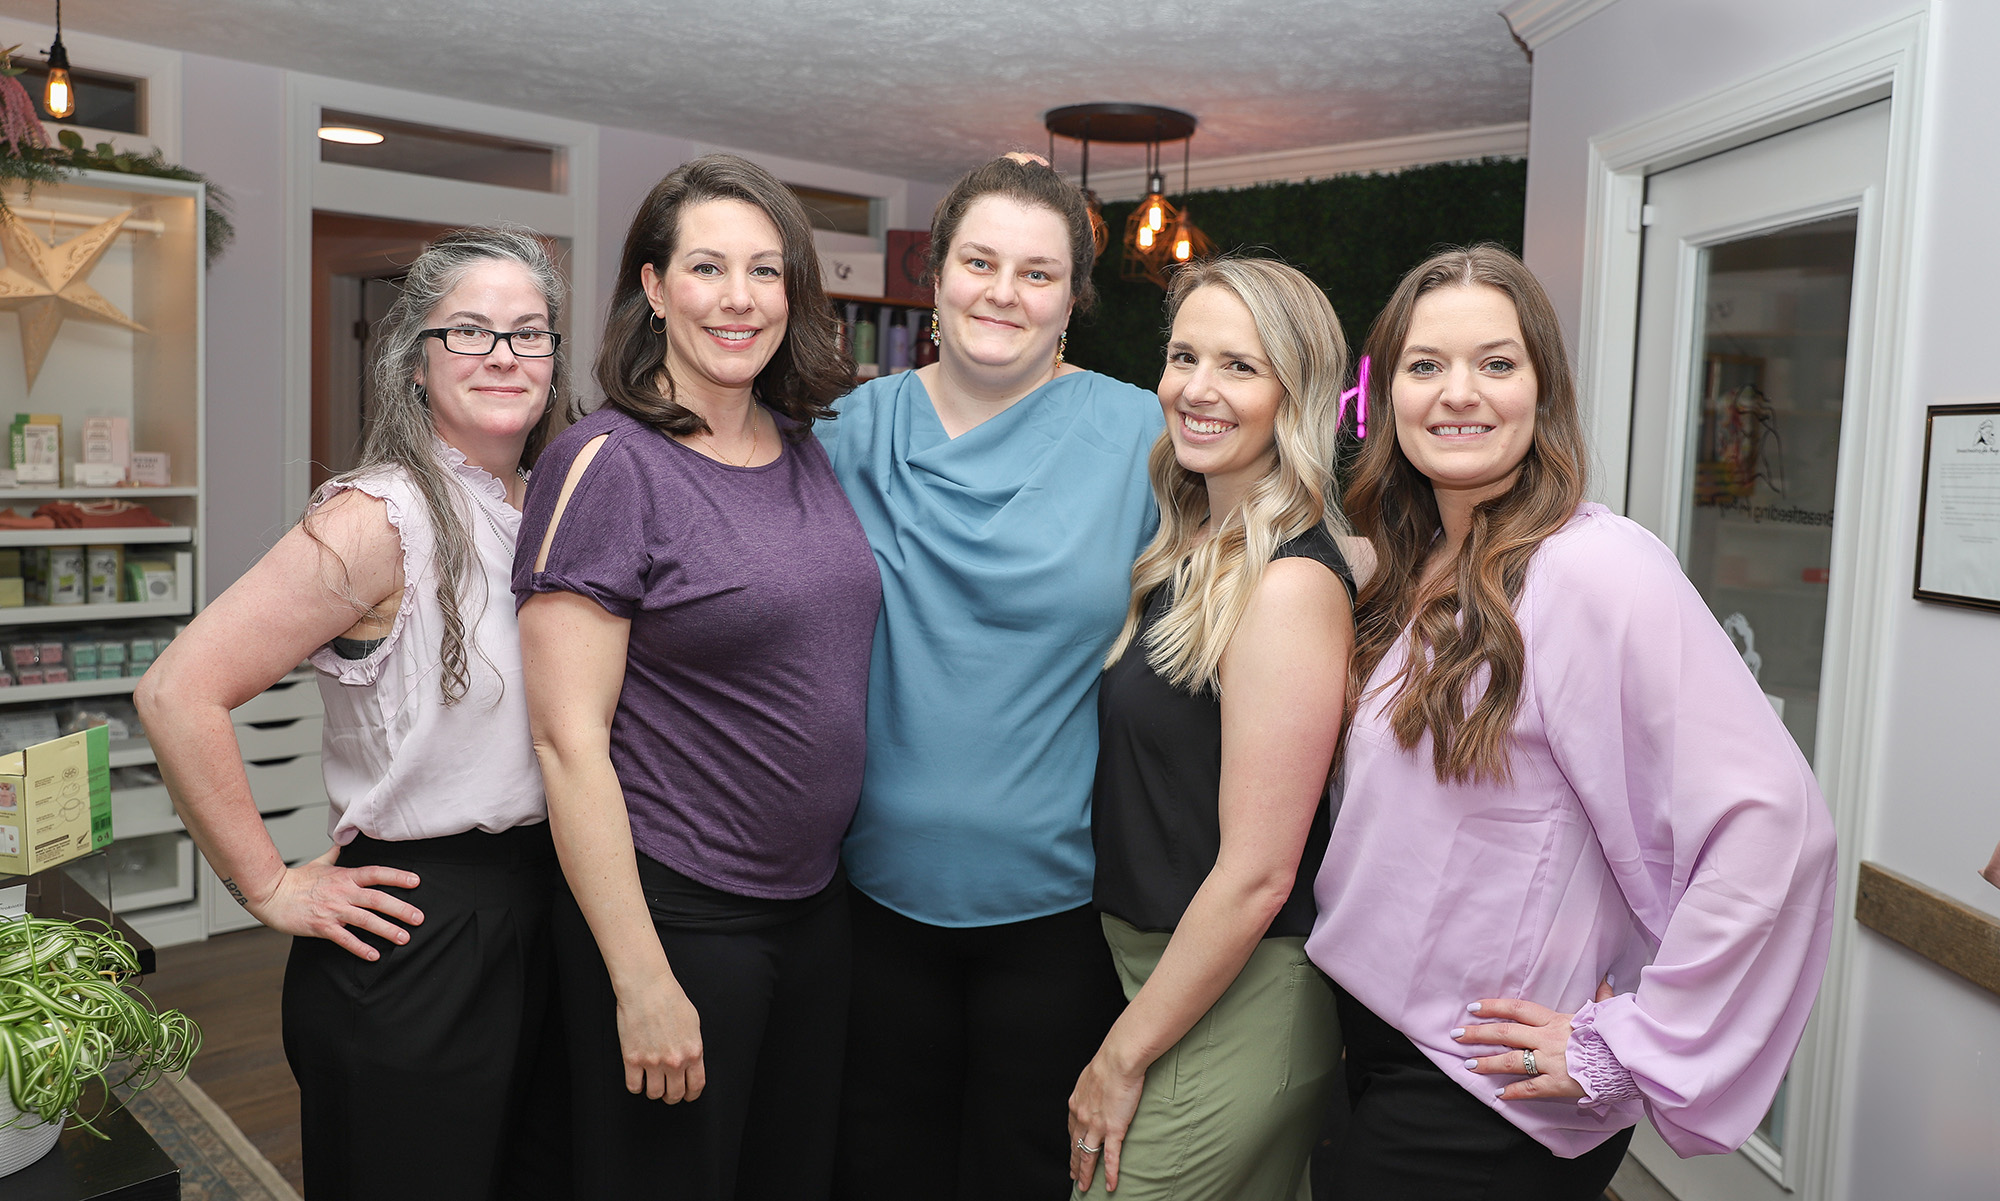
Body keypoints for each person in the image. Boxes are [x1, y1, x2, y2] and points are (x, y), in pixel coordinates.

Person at [1307, 244, 1838, 1199]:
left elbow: (1777, 825)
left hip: (1481, 1101)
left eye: (1496, 363)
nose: (1457, 393)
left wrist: (1632, 1043)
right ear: (1385, 394)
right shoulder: (1414, 564)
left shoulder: (1596, 567)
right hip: (1377, 1045)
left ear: (1541, 388)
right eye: (1426, 365)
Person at [137, 226, 571, 1201]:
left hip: (544, 905)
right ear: (415, 361)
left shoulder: (551, 503)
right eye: (468, 331)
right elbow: (177, 690)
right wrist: (267, 887)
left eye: (528, 332)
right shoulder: (379, 515)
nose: (502, 354)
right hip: (419, 924)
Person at [514, 153, 880, 1201]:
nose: (738, 298)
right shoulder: (606, 462)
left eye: (765, 272)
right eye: (708, 267)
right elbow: (565, 739)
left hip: (813, 906)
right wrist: (639, 977)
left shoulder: (803, 445)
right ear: (652, 285)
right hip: (677, 915)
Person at [817, 154, 1163, 1201]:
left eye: (1036, 272)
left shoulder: (1141, 436)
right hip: (862, 899)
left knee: (1026, 1177)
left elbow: (1277, 559)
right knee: (873, 1172)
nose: (1002, 292)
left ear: (1071, 302)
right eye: (979, 261)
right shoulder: (845, 428)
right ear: (936, 274)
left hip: (1057, 913)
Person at [1065, 258, 1354, 1200]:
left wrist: (1119, 1055)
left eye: (1239, 366)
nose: (1197, 388)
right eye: (1185, 355)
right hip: (1169, 975)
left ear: (1293, 395)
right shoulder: (1195, 543)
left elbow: (1260, 873)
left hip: (1239, 995)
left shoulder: (1285, 586)